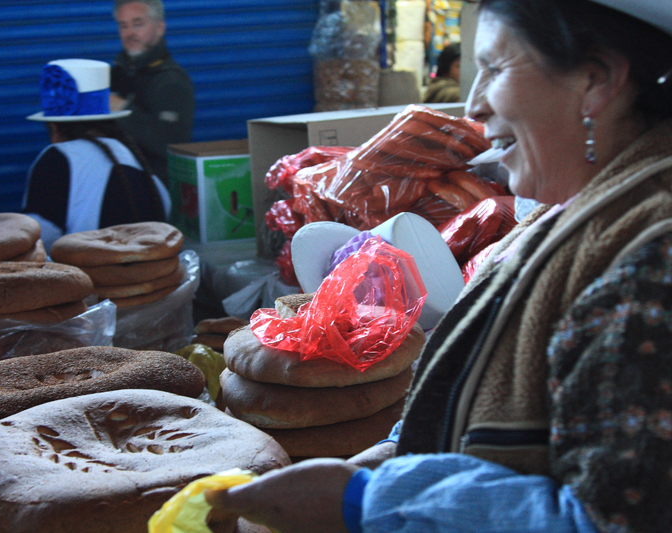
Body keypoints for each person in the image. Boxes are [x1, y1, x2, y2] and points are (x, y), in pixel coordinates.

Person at [205, 0, 672, 532]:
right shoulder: (574, 212)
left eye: (494, 69)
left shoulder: (651, 260)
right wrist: (387, 460)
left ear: (597, 79)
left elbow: (619, 520)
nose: (472, 106)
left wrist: (365, 502)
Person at [22, 58, 170, 251]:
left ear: (53, 127)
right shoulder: (134, 159)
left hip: (89, 278)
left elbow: (36, 239)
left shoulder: (56, 158)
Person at [109, 0, 195, 186]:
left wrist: (123, 109)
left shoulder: (171, 81)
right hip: (120, 185)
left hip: (156, 192)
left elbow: (171, 144)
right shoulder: (119, 74)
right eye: (123, 26)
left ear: (160, 27)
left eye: (138, 24)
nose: (129, 33)